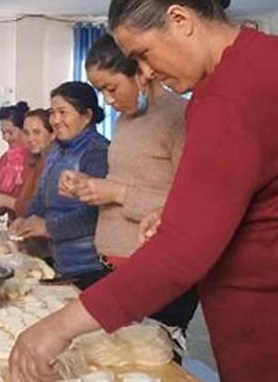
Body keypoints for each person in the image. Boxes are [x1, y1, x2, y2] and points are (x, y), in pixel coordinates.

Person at [9, 0, 278, 382]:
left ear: (180, 20)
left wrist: (58, 327)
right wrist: (179, 212)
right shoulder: (254, 62)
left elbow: (183, 252)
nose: (147, 73)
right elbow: (252, 191)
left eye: (142, 54)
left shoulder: (233, 91)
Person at [62, 33, 198, 346]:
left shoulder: (179, 117)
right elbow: (130, 180)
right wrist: (87, 187)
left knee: (151, 363)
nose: (107, 100)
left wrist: (118, 193)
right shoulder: (126, 119)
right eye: (100, 91)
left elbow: (191, 206)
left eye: (111, 88)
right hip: (114, 266)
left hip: (156, 272)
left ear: (140, 71)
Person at [13, 83, 110, 289]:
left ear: (86, 116)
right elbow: (42, 196)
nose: (55, 120)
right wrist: (25, 219)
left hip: (90, 267)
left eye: (63, 112)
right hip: (62, 262)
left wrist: (48, 227)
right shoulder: (56, 150)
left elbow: (96, 215)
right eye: (52, 112)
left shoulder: (97, 152)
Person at [10, 109, 57, 259]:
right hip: (37, 246)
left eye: (37, 132)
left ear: (53, 133)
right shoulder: (37, 161)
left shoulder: (56, 163)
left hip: (53, 249)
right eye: (27, 132)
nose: (30, 139)